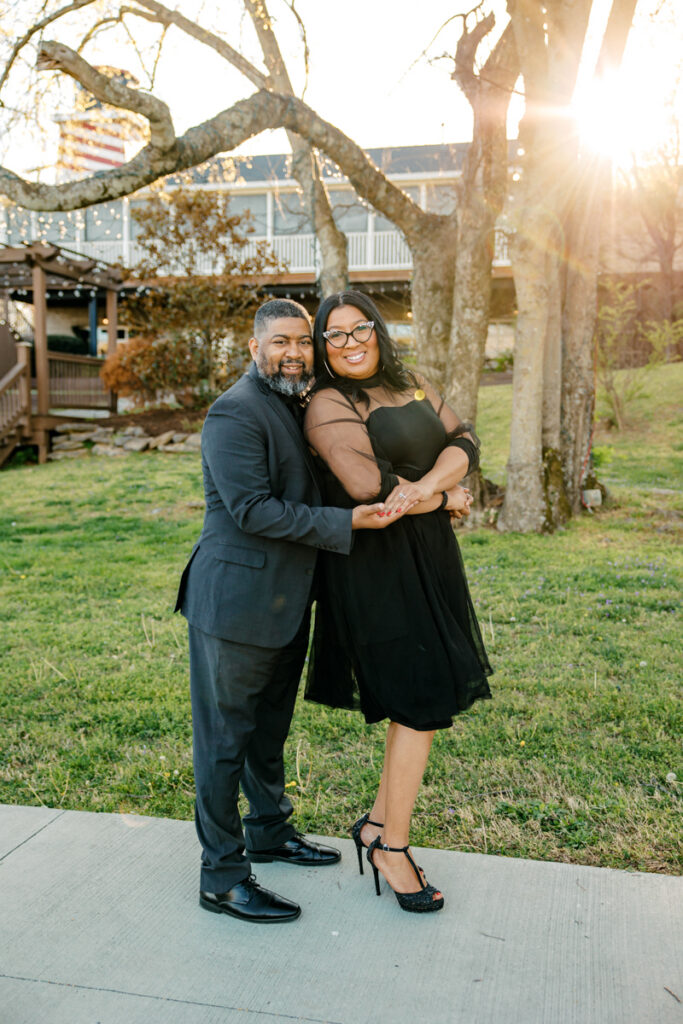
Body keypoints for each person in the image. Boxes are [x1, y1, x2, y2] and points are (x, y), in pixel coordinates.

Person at [175, 298, 404, 925]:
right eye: (280, 343)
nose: (294, 352)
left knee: (268, 731)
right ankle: (221, 877)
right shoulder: (234, 412)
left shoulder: (296, 401)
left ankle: (269, 833)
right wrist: (346, 522)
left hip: (283, 602)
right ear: (254, 348)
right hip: (234, 606)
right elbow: (252, 510)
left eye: (303, 341)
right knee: (224, 743)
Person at [303, 290, 492, 914]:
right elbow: (368, 491)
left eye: (361, 329)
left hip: (430, 557)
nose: (352, 342)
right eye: (336, 335)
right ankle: (394, 847)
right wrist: (445, 499)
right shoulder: (329, 403)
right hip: (377, 569)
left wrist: (438, 483)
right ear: (324, 348)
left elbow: (463, 439)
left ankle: (376, 828)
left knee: (422, 695)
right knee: (418, 701)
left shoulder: (412, 383)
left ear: (379, 332)